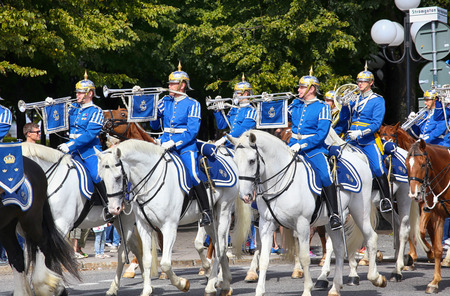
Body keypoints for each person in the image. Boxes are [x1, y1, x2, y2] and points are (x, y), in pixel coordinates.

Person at [149, 62, 211, 227]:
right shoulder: (165, 101)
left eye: (173, 83)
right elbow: (154, 126)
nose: (169, 86)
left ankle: (206, 211)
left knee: (193, 174)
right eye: (169, 83)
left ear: (182, 85)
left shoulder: (193, 104)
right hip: (163, 141)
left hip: (185, 146)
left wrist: (174, 142)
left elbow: (192, 132)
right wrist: (152, 110)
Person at [287, 69, 342, 230]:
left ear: (311, 89)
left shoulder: (322, 107)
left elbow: (320, 135)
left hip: (314, 148)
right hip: (292, 144)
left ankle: (334, 214)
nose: (298, 90)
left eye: (301, 87)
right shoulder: (296, 105)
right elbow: (279, 117)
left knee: (325, 175)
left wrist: (303, 145)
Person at [337, 64, 392, 213]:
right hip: (351, 138)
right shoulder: (354, 100)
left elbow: (376, 124)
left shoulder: (377, 100)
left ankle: (386, 199)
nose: (359, 84)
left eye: (363, 81)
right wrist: (344, 106)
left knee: (377, 167)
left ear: (371, 83)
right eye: (358, 81)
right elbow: (344, 119)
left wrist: (361, 133)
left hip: (368, 140)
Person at [55, 71, 106, 200]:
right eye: (76, 92)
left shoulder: (96, 111)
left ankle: (107, 204)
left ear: (89, 93)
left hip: (88, 151)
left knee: (96, 175)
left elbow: (89, 135)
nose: (77, 95)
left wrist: (70, 145)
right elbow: (57, 118)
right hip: (71, 149)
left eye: (80, 92)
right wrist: (51, 106)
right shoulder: (72, 108)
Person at [214, 74, 257, 147]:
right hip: (230, 144)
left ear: (246, 94)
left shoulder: (252, 111)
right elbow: (221, 125)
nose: (235, 95)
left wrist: (224, 138)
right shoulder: (234, 109)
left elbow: (242, 130)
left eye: (238, 93)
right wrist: (218, 110)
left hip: (243, 146)